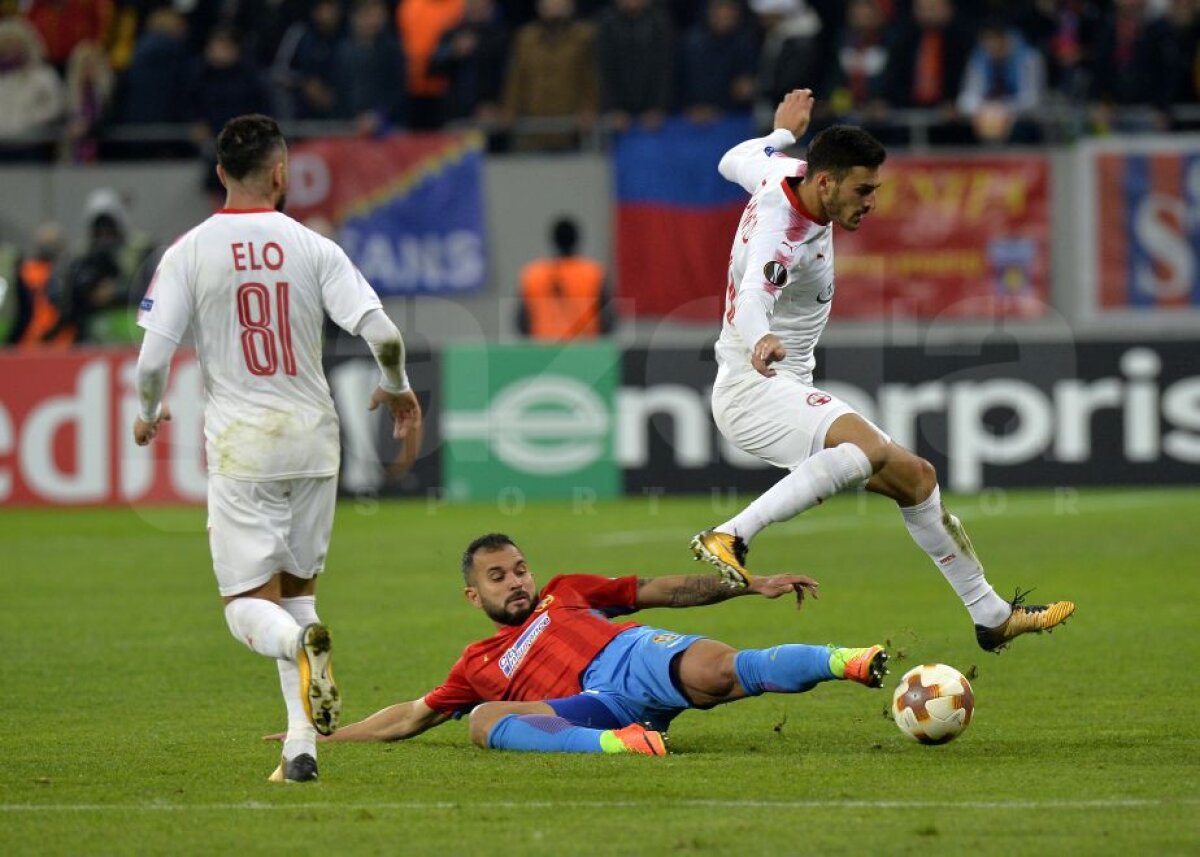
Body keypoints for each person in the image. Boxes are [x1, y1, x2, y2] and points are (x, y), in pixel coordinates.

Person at [690, 89, 1075, 654]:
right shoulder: (784, 236)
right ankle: (730, 535)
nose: (871, 202)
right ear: (826, 184)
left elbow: (732, 159)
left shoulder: (784, 171)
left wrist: (778, 134)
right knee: (866, 446)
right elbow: (752, 298)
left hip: (783, 384)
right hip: (755, 388)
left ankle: (991, 616)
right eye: (862, 189)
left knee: (917, 480)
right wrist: (762, 336)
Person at [132, 114, 423, 783]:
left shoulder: (189, 250)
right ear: (282, 172)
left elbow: (152, 363)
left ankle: (300, 647)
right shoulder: (311, 244)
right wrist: (397, 388)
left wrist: (149, 414)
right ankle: (300, 748)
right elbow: (382, 334)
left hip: (243, 444)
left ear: (220, 173)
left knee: (246, 608)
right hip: (316, 439)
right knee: (295, 593)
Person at [276, 533, 887, 756]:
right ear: (473, 596)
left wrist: (748, 584)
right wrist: (321, 736)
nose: (516, 581)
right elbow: (409, 718)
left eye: (518, 569)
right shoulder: (477, 664)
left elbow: (661, 590)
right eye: (498, 577)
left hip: (631, 655)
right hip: (596, 707)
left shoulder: (565, 592)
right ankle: (619, 746)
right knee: (483, 720)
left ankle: (847, 660)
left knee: (722, 672)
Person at [516, 215, 613, 341]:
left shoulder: (533, 275)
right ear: (577, 240)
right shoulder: (594, 274)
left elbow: (522, 322)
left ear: (553, 241)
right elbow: (608, 320)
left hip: (544, 351)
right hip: (585, 351)